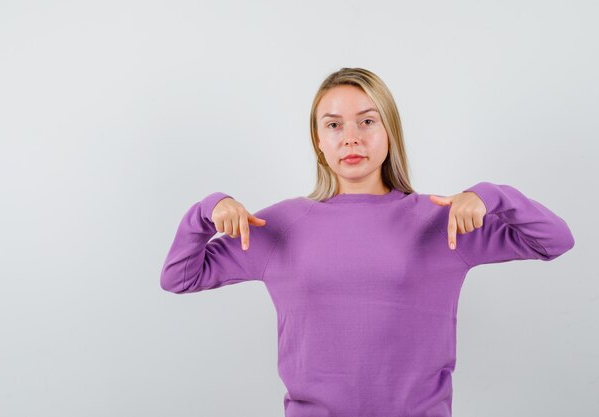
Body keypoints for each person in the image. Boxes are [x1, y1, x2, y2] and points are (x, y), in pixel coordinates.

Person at [160, 67, 575, 417]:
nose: (351, 137)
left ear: (390, 131)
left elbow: (554, 240)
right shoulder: (278, 225)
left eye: (367, 121)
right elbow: (179, 276)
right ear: (319, 143)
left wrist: (492, 194)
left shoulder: (442, 221)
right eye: (334, 124)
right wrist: (208, 209)